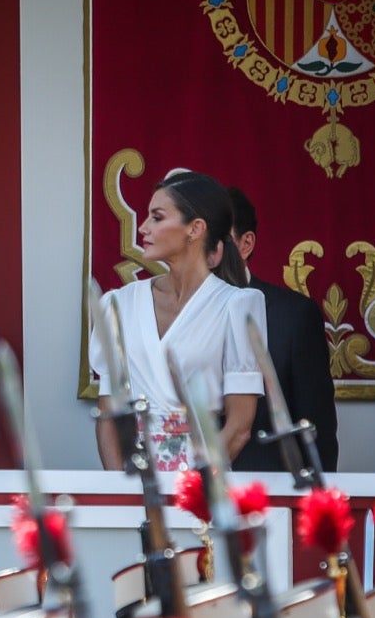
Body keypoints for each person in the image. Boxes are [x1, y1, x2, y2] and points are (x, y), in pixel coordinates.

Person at [89, 169, 266, 471]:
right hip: (132, 483)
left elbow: (239, 427)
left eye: (157, 218)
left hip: (201, 486)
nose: (142, 228)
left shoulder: (237, 306)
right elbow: (109, 414)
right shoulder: (118, 304)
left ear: (195, 229)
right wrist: (122, 490)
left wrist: (192, 490)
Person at [225, 186, 339, 473]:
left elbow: (316, 431)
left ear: (245, 243)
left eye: (216, 239)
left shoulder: (294, 315)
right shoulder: (173, 310)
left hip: (270, 498)